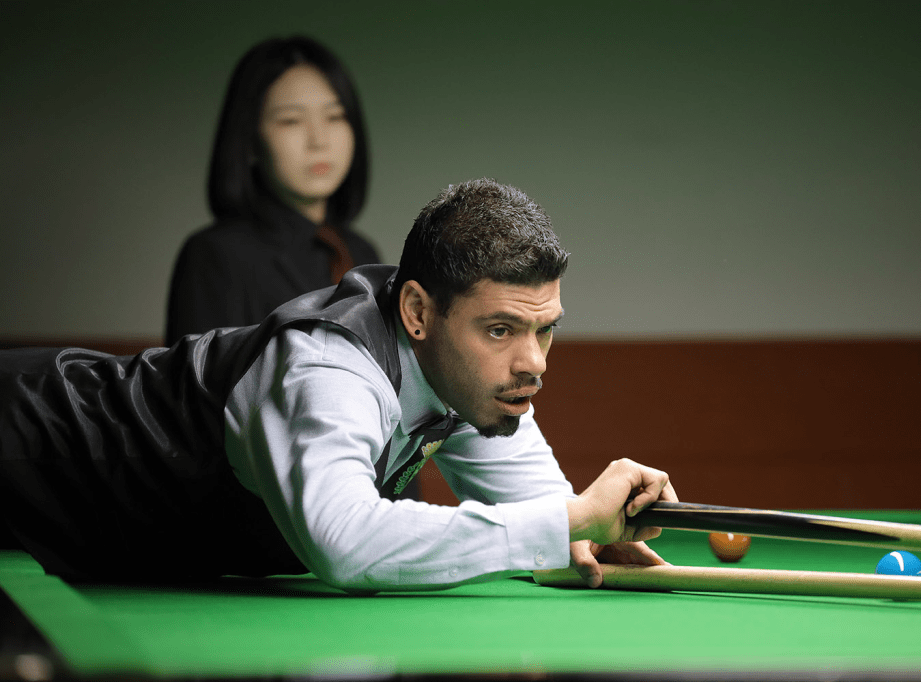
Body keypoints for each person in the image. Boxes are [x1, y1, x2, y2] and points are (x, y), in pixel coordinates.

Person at [0, 179, 677, 592]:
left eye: (545, 330)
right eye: (500, 329)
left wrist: (591, 531)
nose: (534, 363)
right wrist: (567, 521)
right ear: (417, 313)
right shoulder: (327, 366)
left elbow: (542, 516)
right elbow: (345, 543)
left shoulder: (479, 384)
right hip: (23, 441)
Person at [165, 35, 380, 347]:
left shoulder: (361, 254)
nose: (319, 141)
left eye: (335, 116)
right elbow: (196, 376)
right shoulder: (216, 256)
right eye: (291, 120)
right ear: (251, 140)